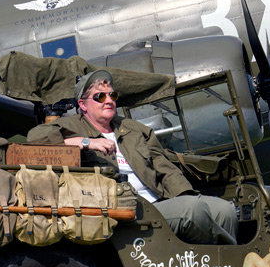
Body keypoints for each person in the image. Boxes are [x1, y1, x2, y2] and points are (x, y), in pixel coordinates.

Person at [27, 70, 238, 245]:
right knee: (194, 211)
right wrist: (85, 142)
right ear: (83, 105)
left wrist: (185, 195)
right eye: (100, 97)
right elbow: (35, 139)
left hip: (157, 202)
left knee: (225, 210)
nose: (108, 100)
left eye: (112, 96)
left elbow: (165, 169)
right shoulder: (72, 126)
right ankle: (225, 263)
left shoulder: (134, 129)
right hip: (122, 210)